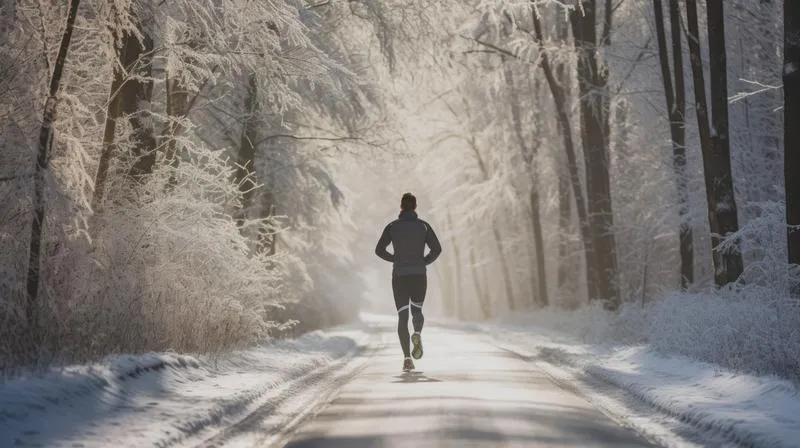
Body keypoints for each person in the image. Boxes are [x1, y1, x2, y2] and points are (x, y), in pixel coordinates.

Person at [375, 193, 442, 371]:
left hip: (400, 276)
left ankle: (406, 358)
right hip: (419, 275)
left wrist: (395, 259)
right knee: (417, 310)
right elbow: (437, 249)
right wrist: (424, 261)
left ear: (401, 207)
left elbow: (379, 250)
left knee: (402, 317)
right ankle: (417, 333)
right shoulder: (424, 227)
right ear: (415, 207)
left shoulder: (392, 227)